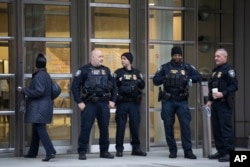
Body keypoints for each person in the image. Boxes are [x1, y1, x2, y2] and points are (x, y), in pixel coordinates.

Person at [153, 46, 202, 159]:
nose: (177, 57)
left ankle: (188, 151)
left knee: (185, 126)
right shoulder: (165, 67)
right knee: (168, 126)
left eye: (179, 55)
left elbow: (198, 77)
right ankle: (173, 150)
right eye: (175, 55)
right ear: (172, 55)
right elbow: (155, 80)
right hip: (168, 101)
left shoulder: (187, 67)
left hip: (182, 101)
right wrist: (165, 78)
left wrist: (187, 77)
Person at [71, 49, 117, 160]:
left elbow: (114, 87)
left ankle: (104, 151)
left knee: (104, 128)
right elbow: (75, 87)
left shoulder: (106, 70)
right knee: (86, 128)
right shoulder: (84, 70)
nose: (102, 58)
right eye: (100, 56)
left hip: (103, 104)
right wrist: (79, 102)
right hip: (89, 104)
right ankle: (82, 151)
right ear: (93, 57)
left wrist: (113, 100)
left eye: (102, 57)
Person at [17, 53, 56, 162]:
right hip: (44, 105)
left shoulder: (39, 76)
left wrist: (24, 90)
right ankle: (32, 152)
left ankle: (50, 151)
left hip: (40, 106)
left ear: (36, 65)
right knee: (36, 129)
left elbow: (39, 91)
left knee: (40, 129)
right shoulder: (46, 75)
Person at [205, 48, 238, 162]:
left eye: (218, 56)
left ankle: (230, 153)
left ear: (225, 57)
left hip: (224, 104)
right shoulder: (215, 71)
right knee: (217, 129)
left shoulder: (229, 70)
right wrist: (210, 100)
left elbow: (234, 86)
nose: (216, 58)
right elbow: (212, 86)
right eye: (215, 56)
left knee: (225, 129)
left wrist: (222, 94)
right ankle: (221, 151)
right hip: (215, 104)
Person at [114, 52, 147, 157]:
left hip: (134, 103)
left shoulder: (137, 72)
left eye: (124, 58)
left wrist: (137, 80)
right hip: (122, 103)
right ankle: (119, 149)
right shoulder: (118, 73)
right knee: (120, 127)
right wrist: (118, 81)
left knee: (135, 127)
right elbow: (112, 85)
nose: (122, 60)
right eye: (121, 58)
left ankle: (136, 148)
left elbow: (142, 85)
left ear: (129, 60)